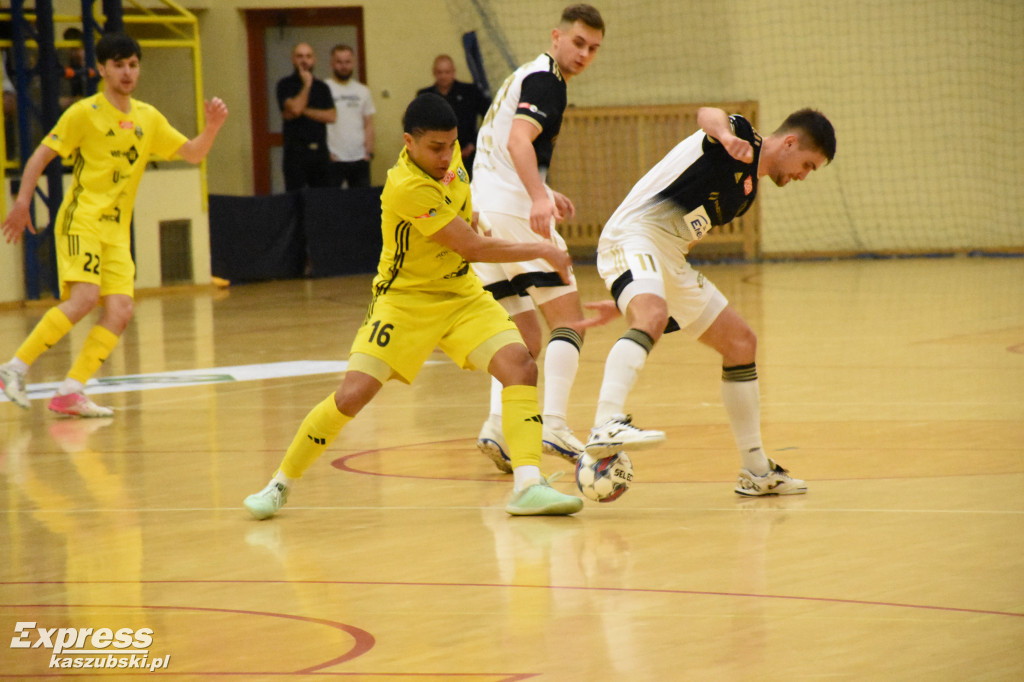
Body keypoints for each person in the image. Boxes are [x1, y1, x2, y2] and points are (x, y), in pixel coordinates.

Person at [243, 93, 584, 520]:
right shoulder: (406, 186)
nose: (446, 157)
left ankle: (529, 485)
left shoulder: (452, 160)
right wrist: (542, 249)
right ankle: (279, 482)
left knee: (520, 365)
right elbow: (472, 247)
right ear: (409, 142)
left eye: (452, 145)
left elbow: (466, 214)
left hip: (460, 294)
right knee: (352, 396)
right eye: (435, 148)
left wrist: (527, 197)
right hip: (404, 302)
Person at [585, 106, 837, 496]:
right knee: (651, 314)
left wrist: (628, 295)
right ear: (789, 143)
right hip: (635, 234)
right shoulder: (739, 137)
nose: (803, 176)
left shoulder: (747, 194)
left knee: (740, 343)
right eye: (807, 164)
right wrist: (726, 135)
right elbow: (708, 114)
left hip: (669, 256)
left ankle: (756, 470)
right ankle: (605, 421)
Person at [0, 32, 228, 417]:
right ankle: (14, 368)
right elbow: (40, 156)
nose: (127, 72)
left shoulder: (147, 118)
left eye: (133, 65)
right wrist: (22, 201)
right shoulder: (84, 113)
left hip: (116, 232)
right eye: (118, 65)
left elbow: (192, 153)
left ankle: (70, 391)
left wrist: (213, 127)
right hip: (81, 220)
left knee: (121, 310)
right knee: (85, 298)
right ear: (101, 69)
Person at [470, 4, 605, 473]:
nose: (585, 54)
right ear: (556, 36)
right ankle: (553, 423)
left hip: (482, 215)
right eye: (579, 43)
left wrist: (545, 190)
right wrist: (536, 198)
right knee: (569, 319)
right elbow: (517, 143)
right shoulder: (547, 81)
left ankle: (495, 428)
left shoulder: (524, 75)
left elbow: (502, 146)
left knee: (521, 336)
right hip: (511, 212)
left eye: (593, 48)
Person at [417, 54, 489, 177]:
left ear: (453, 72)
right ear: (434, 73)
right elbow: (418, 126)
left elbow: (489, 118)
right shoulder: (425, 96)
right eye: (440, 72)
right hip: (436, 156)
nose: (443, 76)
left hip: (468, 153)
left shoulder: (470, 92)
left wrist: (474, 143)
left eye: (447, 72)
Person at [277, 42, 335, 191]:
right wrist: (307, 85)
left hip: (319, 153)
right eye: (300, 56)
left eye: (308, 56)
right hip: (294, 154)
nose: (304, 60)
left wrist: (303, 110)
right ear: (293, 59)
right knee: (295, 199)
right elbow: (295, 109)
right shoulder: (284, 85)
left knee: (322, 198)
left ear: (313, 59)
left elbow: (331, 116)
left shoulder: (322, 87)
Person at [324, 44, 375, 188]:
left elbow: (369, 123)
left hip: (359, 158)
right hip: (333, 158)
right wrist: (325, 153)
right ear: (332, 63)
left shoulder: (363, 91)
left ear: (353, 63)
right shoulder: (324, 88)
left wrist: (368, 152)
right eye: (339, 62)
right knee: (330, 203)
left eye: (347, 62)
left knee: (361, 204)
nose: (343, 66)